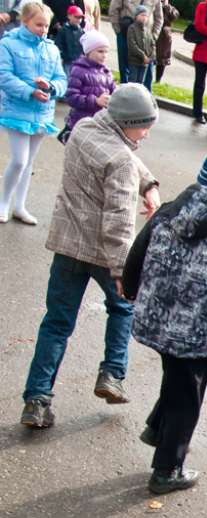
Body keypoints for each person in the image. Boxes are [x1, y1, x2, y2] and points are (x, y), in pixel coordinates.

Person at [20, 83, 160, 429]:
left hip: (67, 245)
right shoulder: (122, 161)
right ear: (128, 122)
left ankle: (36, 400)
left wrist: (149, 184)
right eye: (145, 127)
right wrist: (120, 271)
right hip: (102, 253)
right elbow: (118, 223)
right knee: (123, 307)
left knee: (56, 324)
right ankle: (112, 373)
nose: (146, 134)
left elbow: (123, 155)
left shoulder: (83, 129)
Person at [121, 150, 207, 495]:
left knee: (175, 379)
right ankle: (167, 469)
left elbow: (138, 251)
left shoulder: (168, 212)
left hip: (153, 318)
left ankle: (156, 429)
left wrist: (131, 290)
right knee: (187, 397)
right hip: (192, 335)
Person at [0, 2, 67, 225]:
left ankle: (20, 206)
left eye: (46, 26)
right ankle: (3, 203)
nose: (43, 30)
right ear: (24, 21)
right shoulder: (8, 44)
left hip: (43, 112)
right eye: (38, 25)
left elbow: (61, 78)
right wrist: (30, 90)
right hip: (17, 110)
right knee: (19, 160)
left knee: (28, 163)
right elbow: (4, 76)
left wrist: (51, 87)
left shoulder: (51, 48)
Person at [62, 28, 113, 136]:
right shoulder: (79, 70)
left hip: (101, 124)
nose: (104, 55)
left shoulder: (107, 72)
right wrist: (96, 101)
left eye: (106, 52)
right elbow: (71, 97)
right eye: (100, 51)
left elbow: (115, 92)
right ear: (88, 51)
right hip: (81, 124)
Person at [108, 0, 161, 88]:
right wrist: (118, 30)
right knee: (124, 66)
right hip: (125, 34)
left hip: (147, 37)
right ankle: (124, 93)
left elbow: (159, 18)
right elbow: (113, 10)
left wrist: (154, 36)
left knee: (148, 69)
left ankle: (146, 95)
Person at [125, 4, 154, 86]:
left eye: (146, 16)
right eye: (142, 15)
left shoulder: (148, 30)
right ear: (136, 16)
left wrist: (151, 56)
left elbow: (152, 44)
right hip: (134, 61)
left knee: (140, 83)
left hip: (145, 63)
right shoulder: (132, 28)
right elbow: (132, 45)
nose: (144, 18)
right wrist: (143, 56)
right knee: (132, 82)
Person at [53, 4, 83, 80]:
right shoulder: (63, 30)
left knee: (78, 78)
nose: (78, 19)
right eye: (76, 17)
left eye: (80, 17)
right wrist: (61, 55)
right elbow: (58, 44)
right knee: (67, 78)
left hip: (79, 60)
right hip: (67, 60)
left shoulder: (81, 31)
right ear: (69, 16)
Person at [153, 0, 176, 82]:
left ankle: (158, 80)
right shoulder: (153, 4)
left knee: (162, 60)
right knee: (152, 57)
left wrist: (166, 6)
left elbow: (174, 16)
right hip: (154, 33)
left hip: (164, 37)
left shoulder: (170, 8)